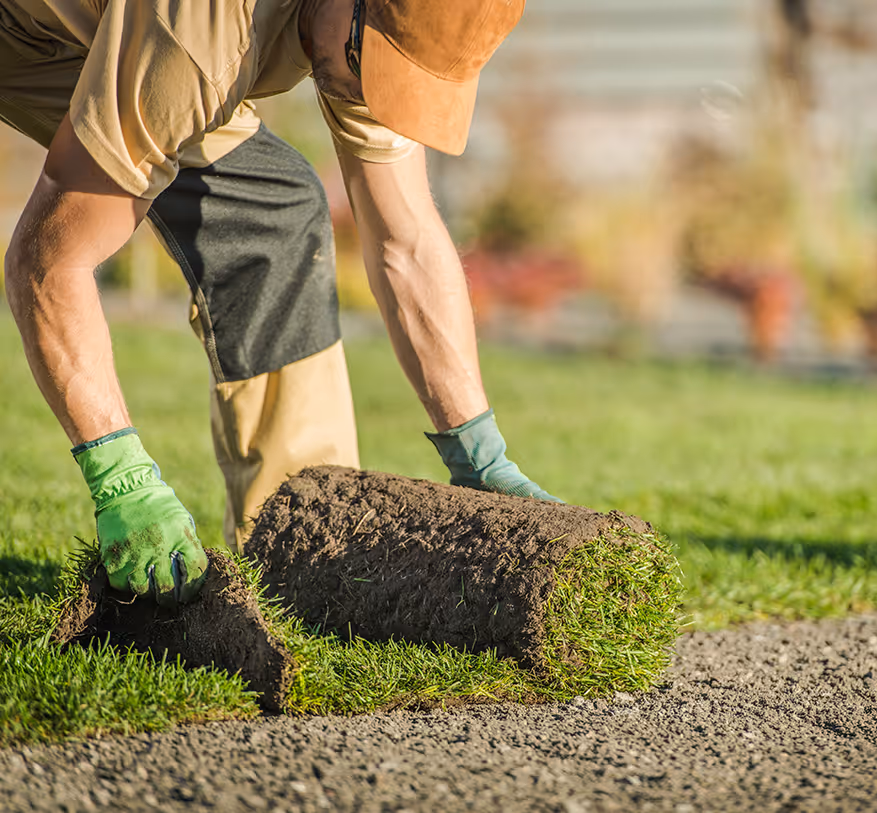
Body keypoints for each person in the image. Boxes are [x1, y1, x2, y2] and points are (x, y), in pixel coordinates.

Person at [1, 0, 559, 607]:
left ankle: (300, 561)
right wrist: (122, 481)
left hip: (106, 36)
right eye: (370, 68)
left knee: (273, 213)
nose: (371, 96)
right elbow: (49, 260)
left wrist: (480, 453)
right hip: (26, 34)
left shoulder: (360, 36)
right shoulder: (200, 41)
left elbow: (409, 243)